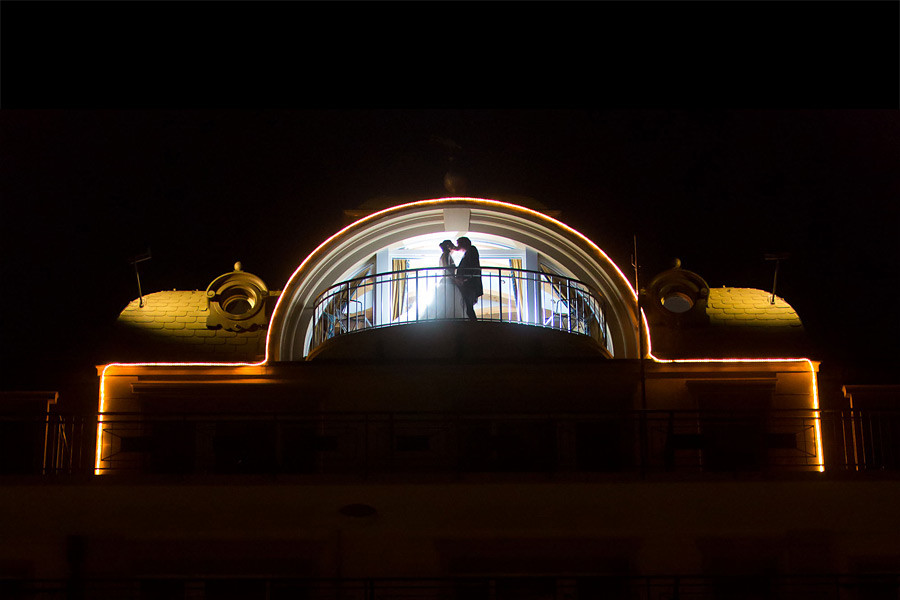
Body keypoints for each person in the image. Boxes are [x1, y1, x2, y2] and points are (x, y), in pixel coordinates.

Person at [426, 240, 468, 319]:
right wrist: (455, 279)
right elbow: (447, 269)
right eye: (452, 246)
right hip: (449, 281)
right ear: (449, 247)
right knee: (450, 302)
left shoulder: (444, 255)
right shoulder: (447, 255)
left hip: (447, 280)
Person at [455, 236, 483, 321]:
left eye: (459, 244)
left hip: (470, 285)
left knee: (468, 306)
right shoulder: (468, 252)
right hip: (468, 284)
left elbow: (473, 267)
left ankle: (474, 324)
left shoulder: (472, 250)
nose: (458, 246)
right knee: (467, 306)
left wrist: (465, 279)